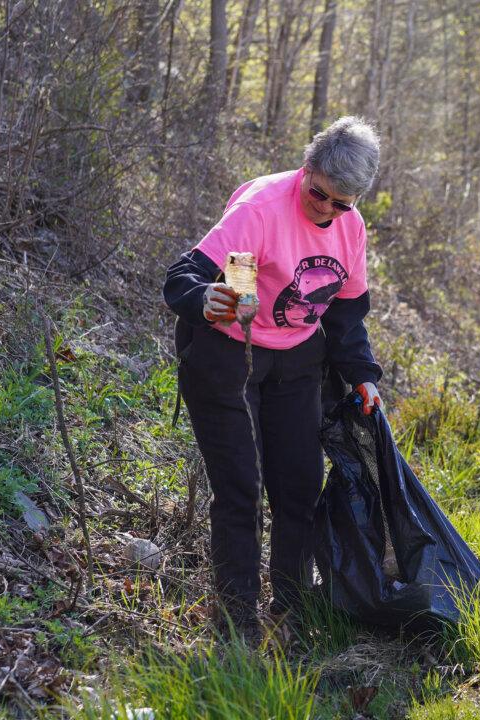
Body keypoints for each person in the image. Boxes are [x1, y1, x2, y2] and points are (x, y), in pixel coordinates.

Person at [162, 116, 383, 635]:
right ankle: (237, 620)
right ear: (307, 169)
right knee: (242, 487)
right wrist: (206, 299)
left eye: (341, 204)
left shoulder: (350, 227)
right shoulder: (260, 209)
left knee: (299, 486)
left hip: (298, 362)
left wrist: (362, 376)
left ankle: (290, 607)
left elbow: (346, 314)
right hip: (229, 357)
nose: (326, 209)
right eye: (319, 194)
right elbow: (184, 278)